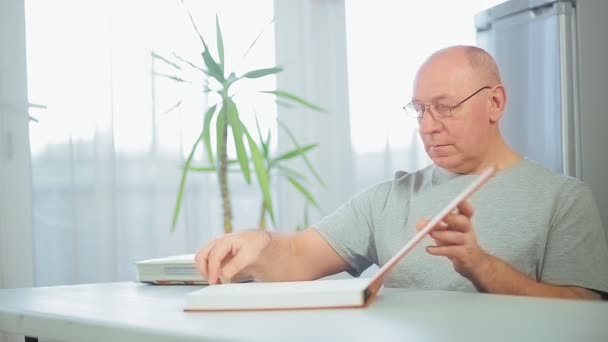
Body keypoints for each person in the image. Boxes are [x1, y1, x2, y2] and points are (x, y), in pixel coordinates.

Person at [195, 45, 608, 299]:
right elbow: (300, 256)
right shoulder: (389, 198)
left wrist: (480, 265)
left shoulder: (564, 199)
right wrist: (258, 243)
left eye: (445, 107)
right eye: (420, 109)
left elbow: (585, 314)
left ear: (495, 104)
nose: (427, 125)